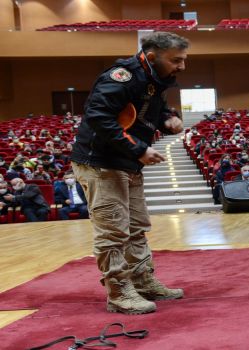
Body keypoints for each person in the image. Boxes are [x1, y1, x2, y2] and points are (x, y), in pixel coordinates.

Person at [70, 32, 188, 314]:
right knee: (113, 231)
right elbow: (98, 116)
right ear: (150, 56)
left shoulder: (155, 79)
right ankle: (119, 292)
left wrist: (167, 117)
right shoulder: (122, 76)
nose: (182, 66)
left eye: (184, 60)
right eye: (176, 60)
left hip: (126, 162)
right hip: (101, 162)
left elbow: (147, 109)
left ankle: (142, 280)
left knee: (136, 227)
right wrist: (138, 149)